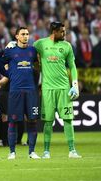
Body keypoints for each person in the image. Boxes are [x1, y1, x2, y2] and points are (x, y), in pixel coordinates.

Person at [33, 22, 81, 158]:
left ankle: (72, 150)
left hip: (64, 89)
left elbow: (72, 66)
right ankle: (46, 151)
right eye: (62, 32)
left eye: (65, 31)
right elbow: (28, 52)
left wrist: (75, 84)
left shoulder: (67, 46)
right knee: (48, 122)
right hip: (47, 89)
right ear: (54, 32)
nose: (64, 34)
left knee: (68, 119)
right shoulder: (40, 44)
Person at [0, 27, 41, 159]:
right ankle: (12, 152)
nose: (25, 36)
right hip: (15, 91)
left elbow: (38, 65)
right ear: (16, 36)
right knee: (13, 121)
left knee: (32, 120)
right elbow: (0, 65)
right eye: (23, 34)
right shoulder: (10, 52)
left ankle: (32, 152)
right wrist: (9, 74)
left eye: (27, 34)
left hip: (31, 91)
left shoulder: (32, 51)